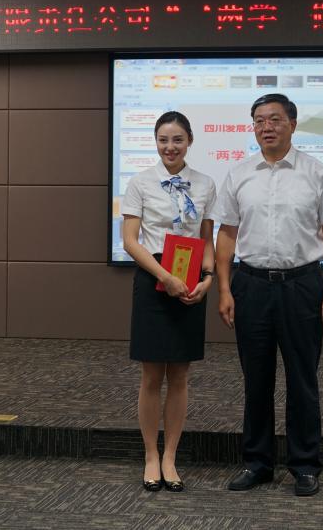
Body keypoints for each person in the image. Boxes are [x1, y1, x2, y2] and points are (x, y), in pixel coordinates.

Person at [214, 93, 323, 497]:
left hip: (302, 286)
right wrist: (225, 288)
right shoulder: (239, 174)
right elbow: (227, 235)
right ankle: (257, 463)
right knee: (256, 380)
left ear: (292, 124)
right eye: (258, 120)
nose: (266, 127)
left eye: (274, 119)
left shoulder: (315, 172)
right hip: (251, 285)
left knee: (302, 380)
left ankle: (304, 465)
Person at [120, 111, 217, 493]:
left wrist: (208, 278)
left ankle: (170, 457)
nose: (170, 147)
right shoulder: (140, 182)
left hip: (190, 280)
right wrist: (165, 277)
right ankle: (150, 454)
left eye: (177, 139)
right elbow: (131, 241)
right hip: (154, 278)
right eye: (163, 140)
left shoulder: (205, 183)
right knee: (151, 375)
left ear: (189, 141)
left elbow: (206, 239)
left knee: (179, 375)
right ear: (155, 142)